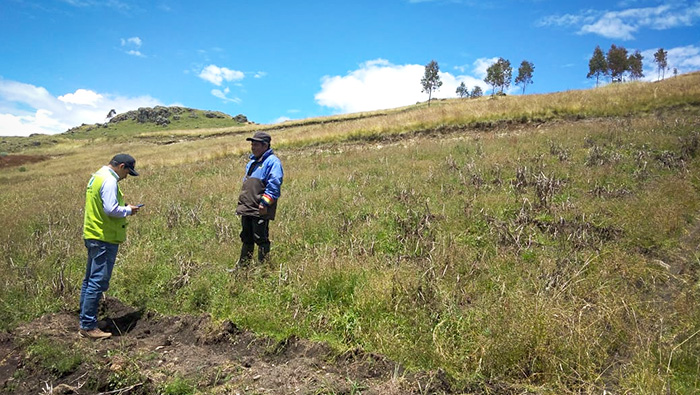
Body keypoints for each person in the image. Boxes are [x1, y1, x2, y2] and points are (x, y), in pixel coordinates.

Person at [80, 154, 142, 339]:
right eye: (127, 172)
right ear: (121, 166)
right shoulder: (109, 181)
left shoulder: (97, 176)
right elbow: (111, 209)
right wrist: (129, 210)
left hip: (93, 234)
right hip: (104, 237)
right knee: (97, 281)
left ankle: (86, 320)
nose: (126, 176)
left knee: (90, 280)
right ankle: (88, 326)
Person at [235, 131, 284, 266]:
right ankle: (243, 268)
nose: (253, 147)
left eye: (256, 144)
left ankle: (264, 268)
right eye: (252, 144)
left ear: (265, 145)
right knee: (246, 238)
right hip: (247, 207)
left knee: (261, 238)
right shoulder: (252, 162)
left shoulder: (273, 162)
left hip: (260, 208)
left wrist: (265, 203)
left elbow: (274, 184)